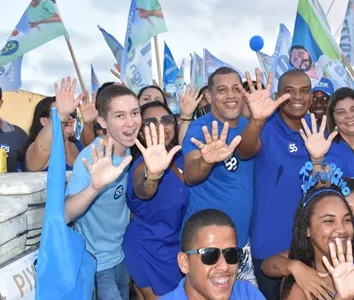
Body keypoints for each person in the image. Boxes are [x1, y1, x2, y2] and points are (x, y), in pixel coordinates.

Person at [235, 69, 309, 300]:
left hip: (310, 245)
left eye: (304, 91)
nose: (297, 97)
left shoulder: (317, 128)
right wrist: (257, 120)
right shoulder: (265, 127)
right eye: (289, 91)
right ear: (278, 95)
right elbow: (244, 152)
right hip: (270, 246)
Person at [64, 84, 141, 300]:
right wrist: (94, 187)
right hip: (97, 263)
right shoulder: (92, 158)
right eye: (119, 116)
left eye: (135, 113)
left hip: (121, 256)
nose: (130, 122)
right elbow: (65, 213)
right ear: (102, 122)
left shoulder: (134, 151)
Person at [182, 67, 258, 286]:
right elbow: (189, 175)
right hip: (208, 249)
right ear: (209, 96)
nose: (231, 95)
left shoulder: (246, 126)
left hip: (242, 245)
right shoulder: (201, 129)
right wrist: (207, 161)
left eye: (236, 88)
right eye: (222, 90)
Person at [273, 186, 354, 299]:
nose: (341, 229)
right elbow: (267, 265)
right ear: (307, 229)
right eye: (329, 221)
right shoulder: (302, 287)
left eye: (346, 220)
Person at [123, 101, 186, 299]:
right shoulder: (141, 166)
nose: (161, 127)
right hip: (147, 250)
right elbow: (144, 190)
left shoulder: (180, 158)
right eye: (151, 122)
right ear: (141, 132)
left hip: (173, 251)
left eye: (166, 120)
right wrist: (153, 174)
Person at [160, 209, 264, 300]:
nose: (224, 266)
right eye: (210, 255)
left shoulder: (247, 294)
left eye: (231, 254)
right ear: (184, 263)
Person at [26, 79, 83, 171]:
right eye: (57, 113)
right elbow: (42, 148)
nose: (68, 117)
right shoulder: (37, 149)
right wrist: (61, 114)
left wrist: (89, 123)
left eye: (71, 113)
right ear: (44, 121)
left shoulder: (77, 145)